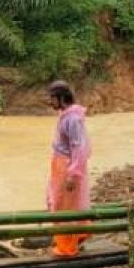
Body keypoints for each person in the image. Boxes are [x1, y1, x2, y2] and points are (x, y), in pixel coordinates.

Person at [46, 80, 91, 258]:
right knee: (60, 202)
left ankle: (66, 247)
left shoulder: (72, 119)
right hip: (61, 164)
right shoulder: (67, 115)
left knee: (64, 206)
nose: (50, 102)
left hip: (67, 167)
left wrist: (73, 174)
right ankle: (77, 236)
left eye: (52, 98)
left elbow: (79, 147)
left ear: (61, 98)